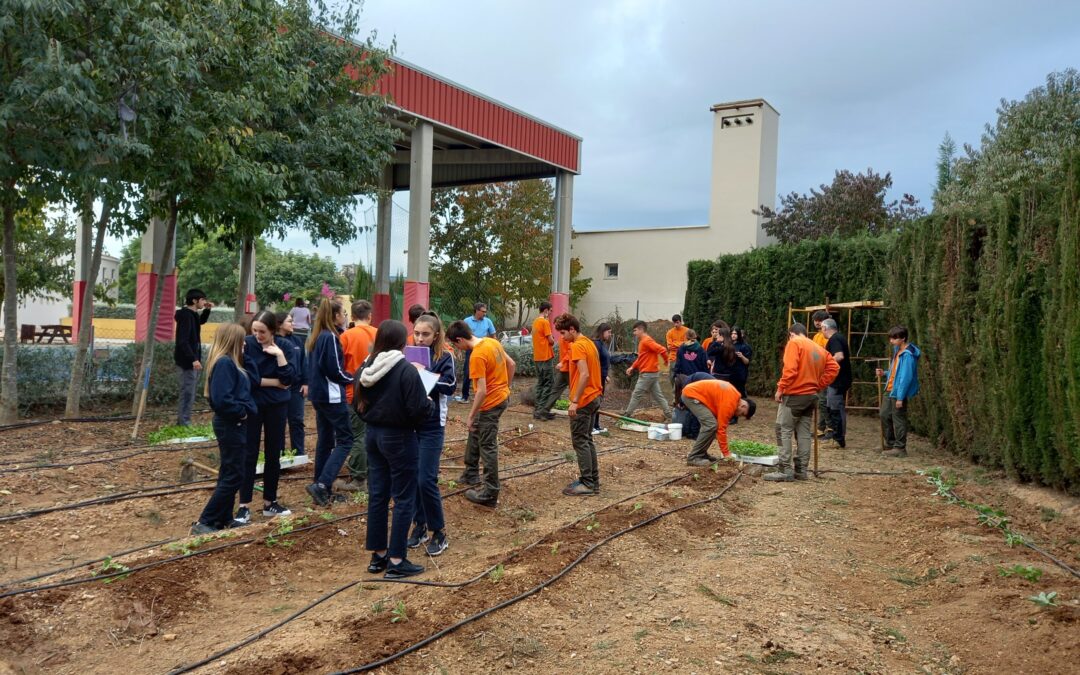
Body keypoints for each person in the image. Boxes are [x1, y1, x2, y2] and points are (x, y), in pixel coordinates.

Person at [355, 320, 434, 579]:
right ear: (402, 343)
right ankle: (398, 560)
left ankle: (378, 555)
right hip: (399, 437)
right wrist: (429, 401)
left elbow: (356, 403)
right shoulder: (405, 370)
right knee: (403, 497)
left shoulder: (366, 366)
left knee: (378, 494)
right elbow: (418, 410)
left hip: (373, 435)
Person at [191, 324, 257, 534]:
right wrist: (241, 412)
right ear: (232, 341)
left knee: (230, 470)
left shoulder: (229, 362)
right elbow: (222, 399)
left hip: (232, 423)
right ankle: (206, 520)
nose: (245, 343)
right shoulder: (225, 364)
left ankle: (224, 517)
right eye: (241, 339)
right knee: (234, 474)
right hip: (231, 423)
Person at [447, 320, 516, 507]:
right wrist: (506, 387)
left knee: (487, 444)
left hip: (490, 404)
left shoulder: (477, 356)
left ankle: (490, 492)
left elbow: (482, 391)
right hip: (500, 397)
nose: (457, 348)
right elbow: (512, 364)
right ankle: (470, 473)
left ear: (460, 339)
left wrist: (470, 415)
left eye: (455, 344)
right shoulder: (491, 342)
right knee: (475, 431)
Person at [406, 314, 456, 555]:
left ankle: (439, 532)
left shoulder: (444, 357)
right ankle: (420, 526)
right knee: (414, 478)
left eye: (425, 334)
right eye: (416, 333)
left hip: (433, 425)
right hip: (410, 424)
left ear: (436, 335)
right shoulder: (407, 355)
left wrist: (424, 373)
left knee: (427, 479)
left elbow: (450, 386)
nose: (420, 338)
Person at [237, 311, 295, 521]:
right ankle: (244, 505)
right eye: (255, 331)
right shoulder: (247, 344)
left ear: (273, 330)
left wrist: (279, 356)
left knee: (273, 453)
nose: (258, 335)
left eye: (262, 331)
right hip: (253, 406)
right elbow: (248, 378)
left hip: (277, 406)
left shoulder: (285, 347)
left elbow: (289, 379)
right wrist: (274, 382)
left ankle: (270, 502)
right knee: (249, 453)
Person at [766, 323, 839, 482]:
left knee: (783, 429)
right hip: (811, 396)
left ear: (792, 334)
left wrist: (780, 388)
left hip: (794, 395)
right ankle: (802, 470)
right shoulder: (819, 348)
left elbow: (790, 370)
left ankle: (785, 469)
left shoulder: (794, 343)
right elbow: (834, 367)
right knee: (804, 432)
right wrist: (818, 385)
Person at [304, 299, 355, 507]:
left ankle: (320, 484)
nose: (344, 316)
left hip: (318, 395)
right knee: (345, 440)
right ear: (335, 316)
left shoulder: (316, 337)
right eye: (343, 313)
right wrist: (352, 379)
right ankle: (323, 484)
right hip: (331, 396)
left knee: (325, 440)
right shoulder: (331, 338)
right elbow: (334, 370)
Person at [554, 314, 603, 495]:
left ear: (572, 330)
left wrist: (575, 401)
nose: (562, 337)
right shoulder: (589, 343)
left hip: (583, 400)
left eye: (563, 332)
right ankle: (591, 480)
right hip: (594, 397)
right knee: (587, 440)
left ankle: (588, 484)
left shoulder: (577, 346)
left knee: (580, 441)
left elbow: (584, 374)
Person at [338, 300, 377, 492]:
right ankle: (372, 472)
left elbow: (340, 367)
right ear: (370, 316)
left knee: (357, 435)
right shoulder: (379, 334)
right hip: (377, 393)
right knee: (373, 432)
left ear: (352, 317)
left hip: (353, 393)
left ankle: (358, 478)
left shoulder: (345, 336)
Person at [681, 375, 757, 467]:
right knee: (711, 425)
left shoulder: (734, 396)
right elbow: (721, 430)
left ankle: (701, 453)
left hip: (695, 394)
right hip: (691, 395)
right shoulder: (730, 403)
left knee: (712, 425)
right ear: (743, 406)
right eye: (742, 414)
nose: (739, 416)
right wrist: (726, 454)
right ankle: (693, 457)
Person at [877, 325, 921, 458]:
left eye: (894, 338)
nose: (891, 341)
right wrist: (885, 373)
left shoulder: (908, 356)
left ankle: (900, 448)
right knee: (884, 415)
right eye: (891, 338)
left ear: (902, 339)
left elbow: (905, 378)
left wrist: (900, 397)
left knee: (898, 419)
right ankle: (890, 443)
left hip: (898, 392)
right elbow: (895, 372)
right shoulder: (898, 350)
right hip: (889, 389)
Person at [174, 289, 213, 426]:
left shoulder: (192, 314)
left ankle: (184, 421)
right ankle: (184, 422)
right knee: (187, 392)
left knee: (189, 391)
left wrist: (207, 310)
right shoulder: (186, 316)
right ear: (195, 301)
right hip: (187, 361)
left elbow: (200, 322)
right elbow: (182, 341)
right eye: (202, 300)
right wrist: (193, 359)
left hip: (191, 360)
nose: (204, 302)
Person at [623, 321, 672, 421]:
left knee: (636, 394)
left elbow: (662, 350)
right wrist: (632, 367)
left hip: (648, 374)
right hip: (652, 373)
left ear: (641, 329)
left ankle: (626, 416)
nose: (634, 333)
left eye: (635, 330)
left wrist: (666, 362)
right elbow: (641, 357)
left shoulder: (646, 341)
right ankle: (669, 415)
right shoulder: (643, 341)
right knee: (658, 396)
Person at [275, 312, 307, 456]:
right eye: (289, 321)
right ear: (279, 324)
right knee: (279, 423)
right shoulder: (273, 341)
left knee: (297, 421)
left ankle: (298, 453)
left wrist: (306, 382)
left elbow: (303, 362)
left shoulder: (297, 341)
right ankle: (279, 453)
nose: (292, 324)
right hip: (280, 388)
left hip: (296, 387)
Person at [455, 302, 496, 403]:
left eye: (485, 312)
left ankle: (483, 395)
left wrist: (494, 347)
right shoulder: (467, 321)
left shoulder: (488, 321)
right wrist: (460, 351)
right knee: (468, 372)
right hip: (470, 349)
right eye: (483, 311)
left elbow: (493, 335)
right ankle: (465, 397)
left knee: (484, 373)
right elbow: (461, 336)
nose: (485, 314)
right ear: (477, 311)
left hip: (484, 349)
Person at [821, 319, 851, 448]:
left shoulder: (835, 339)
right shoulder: (839, 337)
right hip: (836, 380)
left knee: (836, 409)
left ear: (826, 328)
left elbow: (839, 356)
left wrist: (825, 365)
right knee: (831, 407)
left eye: (822, 328)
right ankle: (835, 436)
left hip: (838, 381)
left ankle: (839, 440)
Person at [531, 301, 556, 420]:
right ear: (546, 310)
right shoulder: (544, 322)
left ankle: (537, 409)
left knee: (540, 383)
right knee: (548, 384)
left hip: (537, 357)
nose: (550, 313)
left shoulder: (535, 321)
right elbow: (550, 340)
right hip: (546, 357)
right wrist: (553, 339)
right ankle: (542, 411)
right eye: (550, 311)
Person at [811, 310, 831, 435]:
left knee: (824, 401)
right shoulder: (816, 336)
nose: (817, 323)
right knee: (821, 401)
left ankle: (830, 427)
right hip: (817, 372)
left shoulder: (826, 337)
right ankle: (820, 428)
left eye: (820, 321)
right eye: (816, 320)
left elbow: (825, 355)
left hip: (825, 373)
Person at [591, 323, 613, 435]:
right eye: (608, 332)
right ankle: (591, 426)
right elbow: (595, 362)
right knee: (595, 401)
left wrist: (606, 375)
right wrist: (601, 374)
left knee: (599, 402)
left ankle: (596, 425)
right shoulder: (596, 344)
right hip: (596, 378)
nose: (610, 334)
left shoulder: (602, 344)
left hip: (602, 376)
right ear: (602, 332)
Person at [730, 326, 753, 397]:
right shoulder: (728, 345)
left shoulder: (744, 346)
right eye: (732, 333)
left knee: (740, 393)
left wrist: (742, 356)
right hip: (729, 373)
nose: (733, 335)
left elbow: (747, 362)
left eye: (735, 334)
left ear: (739, 335)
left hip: (740, 373)